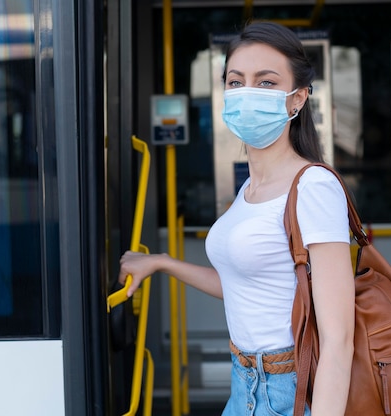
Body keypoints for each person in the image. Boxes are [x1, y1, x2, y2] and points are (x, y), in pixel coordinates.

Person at [119, 21, 355, 416]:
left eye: (265, 82)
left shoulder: (312, 186)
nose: (246, 92)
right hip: (244, 384)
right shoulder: (249, 193)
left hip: (290, 391)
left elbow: (339, 339)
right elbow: (249, 287)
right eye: (235, 81)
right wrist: (161, 262)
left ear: (297, 99)